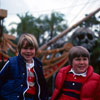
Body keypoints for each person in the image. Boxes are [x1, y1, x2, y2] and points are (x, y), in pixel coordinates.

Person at [0, 33, 48, 100]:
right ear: (19, 49)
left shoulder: (38, 65)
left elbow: (41, 84)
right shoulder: (12, 62)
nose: (28, 51)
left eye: (31, 49)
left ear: (35, 49)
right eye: (25, 48)